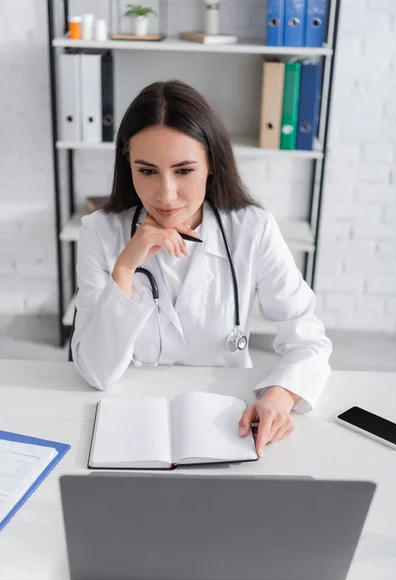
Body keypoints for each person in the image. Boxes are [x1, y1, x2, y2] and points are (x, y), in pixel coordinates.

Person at [72, 79, 332, 458]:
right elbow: (96, 373)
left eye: (183, 170)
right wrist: (125, 267)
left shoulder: (252, 228)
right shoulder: (99, 232)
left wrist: (280, 396)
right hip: (136, 420)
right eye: (146, 171)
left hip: (227, 417)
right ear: (127, 165)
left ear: (212, 164)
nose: (166, 194)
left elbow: (308, 339)